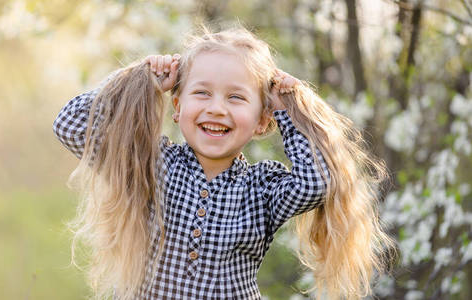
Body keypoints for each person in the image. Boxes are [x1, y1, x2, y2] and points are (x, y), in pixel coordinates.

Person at [53, 25, 394, 300]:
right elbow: (69, 124)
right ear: (177, 106)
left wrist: (289, 111)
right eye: (202, 93)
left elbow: (317, 182)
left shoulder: (262, 189)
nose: (217, 108)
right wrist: (139, 81)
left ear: (262, 121)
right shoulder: (152, 164)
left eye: (235, 97)